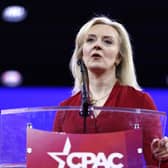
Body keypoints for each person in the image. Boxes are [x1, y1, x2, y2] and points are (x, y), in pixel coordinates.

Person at [53, 16, 168, 167]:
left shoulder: (140, 101)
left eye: (107, 41)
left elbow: (156, 162)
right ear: (81, 54)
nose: (97, 46)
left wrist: (164, 152)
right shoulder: (65, 109)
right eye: (90, 40)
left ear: (118, 57)